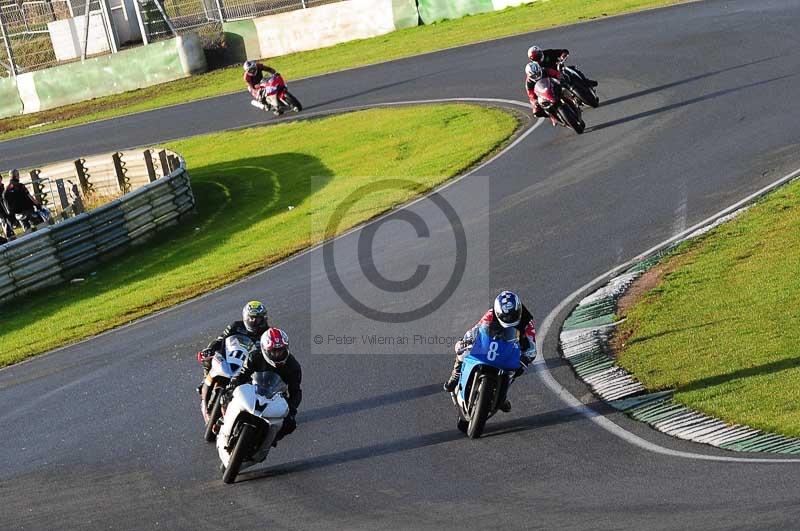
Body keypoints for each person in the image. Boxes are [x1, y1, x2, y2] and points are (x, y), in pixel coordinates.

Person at [443, 291, 537, 411]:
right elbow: (476, 328)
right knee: (461, 350)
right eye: (505, 317)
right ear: (498, 313)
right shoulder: (491, 313)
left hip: (511, 348)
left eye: (512, 316)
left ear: (519, 311)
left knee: (516, 371)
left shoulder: (527, 321)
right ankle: (455, 375)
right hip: (490, 343)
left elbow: (532, 347)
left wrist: (525, 358)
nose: (508, 320)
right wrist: (466, 340)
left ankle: (502, 395)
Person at [221, 327, 302, 445]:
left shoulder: (293, 366)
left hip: (276, 396)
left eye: (281, 350)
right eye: (273, 351)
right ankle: (223, 421)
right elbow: (242, 374)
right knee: (227, 396)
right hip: (253, 389)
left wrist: (292, 410)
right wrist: (231, 387)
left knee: (290, 425)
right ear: (265, 349)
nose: (278, 354)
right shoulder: (255, 356)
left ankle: (270, 440)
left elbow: (296, 391)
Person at [197, 300, 270, 394]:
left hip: (250, 365)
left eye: (258, 319)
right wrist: (210, 348)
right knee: (208, 358)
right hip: (230, 356)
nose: (254, 322)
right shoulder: (235, 326)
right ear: (245, 317)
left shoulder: (267, 333)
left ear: (264, 318)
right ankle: (205, 380)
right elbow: (220, 339)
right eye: (251, 318)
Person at [528, 45, 598, 87]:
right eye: (535, 59)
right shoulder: (534, 67)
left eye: (538, 56)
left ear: (541, 52)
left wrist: (562, 57)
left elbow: (563, 51)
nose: (538, 59)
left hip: (560, 70)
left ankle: (586, 81)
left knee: (572, 68)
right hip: (550, 80)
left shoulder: (548, 53)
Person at [525, 62, 562, 126]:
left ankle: (573, 98)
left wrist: (560, 78)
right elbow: (530, 94)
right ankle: (552, 116)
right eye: (534, 76)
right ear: (529, 75)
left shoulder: (545, 70)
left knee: (564, 87)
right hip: (543, 95)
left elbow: (556, 74)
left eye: (538, 73)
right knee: (536, 112)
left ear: (540, 70)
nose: (537, 76)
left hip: (552, 86)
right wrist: (534, 101)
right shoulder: (529, 82)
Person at [0, 173, 17, 244]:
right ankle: (9, 243)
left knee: (10, 226)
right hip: (1, 213)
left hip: (7, 210)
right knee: (6, 226)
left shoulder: (3, 187)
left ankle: (13, 240)